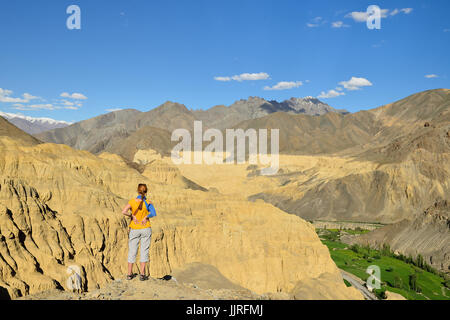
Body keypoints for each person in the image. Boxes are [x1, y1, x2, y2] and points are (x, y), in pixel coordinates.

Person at [122, 183, 157, 281]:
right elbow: (153, 213)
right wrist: (146, 217)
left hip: (134, 229)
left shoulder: (132, 201)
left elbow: (124, 211)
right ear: (146, 191)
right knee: (144, 251)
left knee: (132, 250)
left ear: (138, 191)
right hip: (145, 228)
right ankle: (142, 274)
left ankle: (129, 274)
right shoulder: (148, 202)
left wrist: (131, 216)